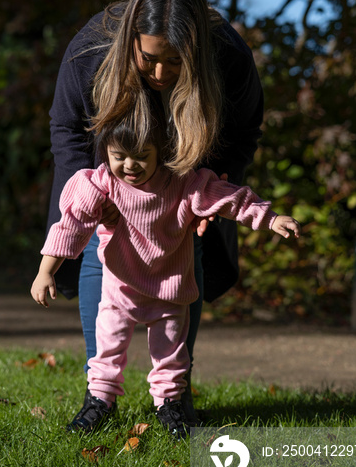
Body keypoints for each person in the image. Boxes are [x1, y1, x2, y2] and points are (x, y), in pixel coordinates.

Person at [46, 0, 264, 424]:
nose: (161, 73)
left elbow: (244, 131)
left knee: (188, 260)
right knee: (98, 257)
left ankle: (174, 396)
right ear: (130, 44)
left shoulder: (228, 54)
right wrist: (82, 193)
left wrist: (220, 183)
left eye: (176, 61)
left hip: (184, 182)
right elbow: (66, 128)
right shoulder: (90, 51)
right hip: (110, 177)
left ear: (197, 52)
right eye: (149, 59)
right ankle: (100, 394)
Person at [32, 114, 300, 439]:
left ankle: (170, 406)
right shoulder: (99, 185)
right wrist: (46, 271)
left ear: (161, 152)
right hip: (120, 290)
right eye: (119, 157)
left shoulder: (185, 185)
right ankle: (99, 400)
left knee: (172, 354)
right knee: (107, 350)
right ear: (106, 153)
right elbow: (71, 225)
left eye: (142, 156)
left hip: (170, 290)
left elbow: (229, 198)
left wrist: (269, 218)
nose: (130, 165)